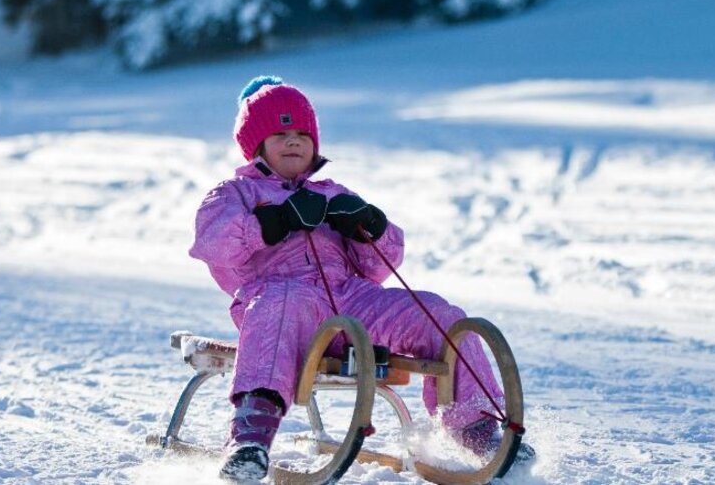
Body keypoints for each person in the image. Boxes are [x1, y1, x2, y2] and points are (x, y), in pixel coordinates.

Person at [189, 76, 514, 482]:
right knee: (282, 306)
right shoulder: (235, 194)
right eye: (280, 133)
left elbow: (378, 266)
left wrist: (370, 225)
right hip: (283, 301)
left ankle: (478, 430)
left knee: (438, 312)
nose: (294, 142)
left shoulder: (332, 192)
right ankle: (250, 441)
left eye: (302, 134)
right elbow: (214, 246)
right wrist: (274, 222)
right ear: (256, 145)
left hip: (352, 301)